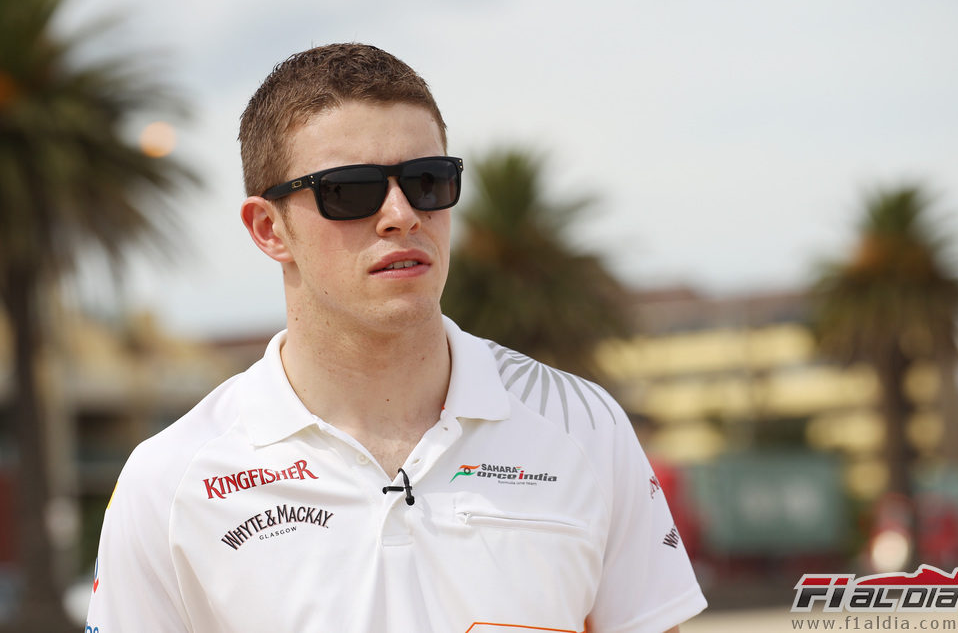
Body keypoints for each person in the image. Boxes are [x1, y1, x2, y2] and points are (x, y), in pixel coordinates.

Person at [86, 43, 707, 633]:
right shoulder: (170, 481)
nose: (402, 213)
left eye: (427, 180)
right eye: (350, 190)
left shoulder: (582, 425)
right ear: (268, 229)